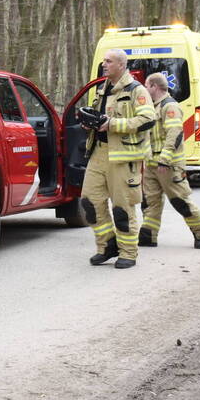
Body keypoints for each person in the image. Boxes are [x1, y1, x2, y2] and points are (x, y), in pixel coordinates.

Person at [80, 48, 155, 269]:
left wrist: (113, 124)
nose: (104, 64)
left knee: (123, 208)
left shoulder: (136, 90)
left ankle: (128, 253)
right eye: (104, 61)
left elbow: (148, 119)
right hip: (99, 152)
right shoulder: (103, 89)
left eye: (109, 61)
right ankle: (107, 246)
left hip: (123, 157)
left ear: (121, 65)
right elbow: (101, 116)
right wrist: (90, 123)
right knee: (89, 201)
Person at [141, 72, 200, 249]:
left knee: (180, 200)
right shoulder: (152, 107)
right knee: (150, 201)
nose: (144, 89)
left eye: (146, 86)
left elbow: (175, 133)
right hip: (151, 163)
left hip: (168, 165)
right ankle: (149, 234)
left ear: (154, 86)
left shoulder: (169, 106)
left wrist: (165, 159)